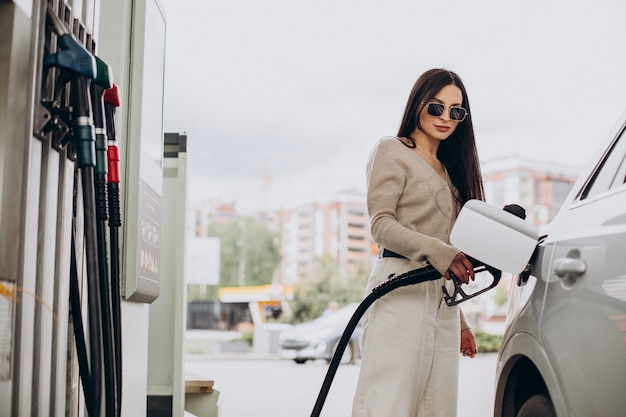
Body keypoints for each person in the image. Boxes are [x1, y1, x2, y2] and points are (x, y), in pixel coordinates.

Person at [352, 68, 483, 417]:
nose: (445, 118)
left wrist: (461, 322)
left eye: (456, 111)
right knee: (390, 405)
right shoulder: (391, 150)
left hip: (441, 299)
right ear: (418, 103)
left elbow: (447, 253)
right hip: (399, 287)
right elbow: (381, 224)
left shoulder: (450, 173)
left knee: (437, 407)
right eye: (436, 107)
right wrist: (442, 253)